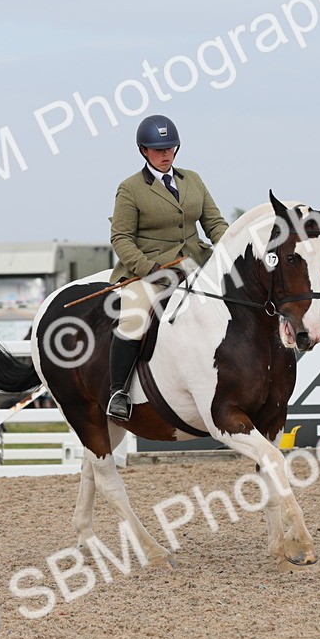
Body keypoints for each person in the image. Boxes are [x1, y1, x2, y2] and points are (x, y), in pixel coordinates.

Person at [105, 115, 229, 420]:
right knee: (132, 319)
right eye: (158, 149)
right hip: (148, 270)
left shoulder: (193, 180)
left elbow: (214, 223)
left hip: (197, 263)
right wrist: (151, 268)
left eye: (170, 148)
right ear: (143, 151)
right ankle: (118, 392)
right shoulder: (130, 189)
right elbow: (120, 237)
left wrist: (232, 251)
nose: (165, 154)